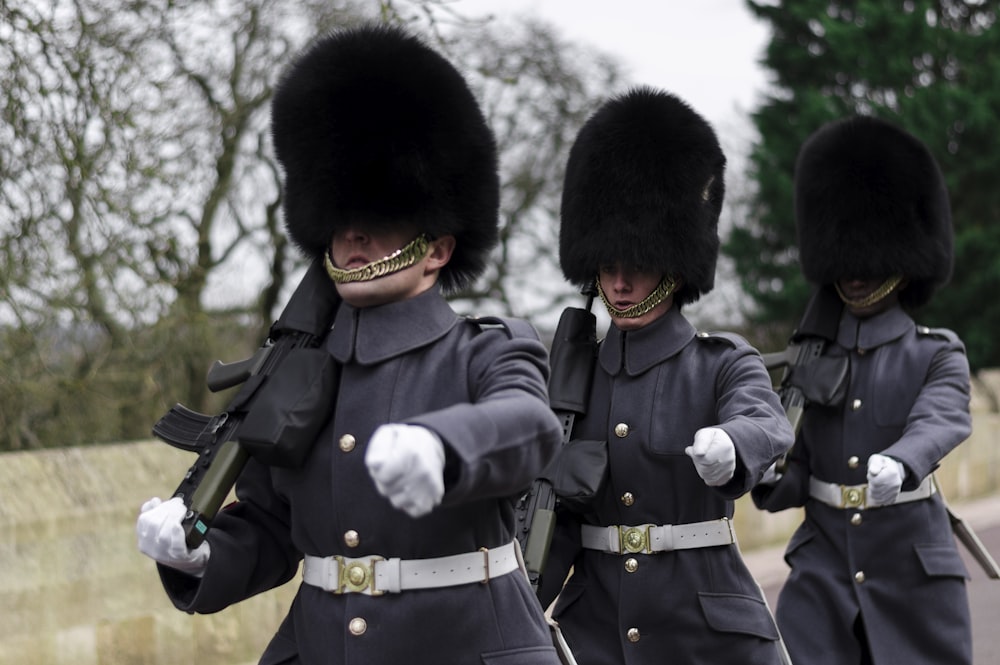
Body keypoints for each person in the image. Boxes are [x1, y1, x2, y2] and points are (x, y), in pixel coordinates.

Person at [135, 24, 567, 665]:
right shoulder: (300, 369)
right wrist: (198, 553)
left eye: (383, 218)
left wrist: (446, 448)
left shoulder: (488, 351)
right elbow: (272, 528)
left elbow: (530, 428)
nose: (355, 232)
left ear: (438, 249)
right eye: (342, 217)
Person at [536, 87, 795, 665]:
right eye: (608, 268)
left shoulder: (721, 361)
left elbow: (766, 420)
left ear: (674, 269)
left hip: (705, 629)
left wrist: (732, 443)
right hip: (597, 629)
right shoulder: (572, 383)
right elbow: (554, 521)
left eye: (637, 266)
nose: (620, 284)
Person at [752, 115, 973, 665]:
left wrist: (901, 462)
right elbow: (797, 471)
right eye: (843, 259)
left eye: (868, 259)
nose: (854, 273)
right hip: (823, 573)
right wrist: (762, 470)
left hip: (911, 572)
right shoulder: (812, 355)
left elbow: (942, 418)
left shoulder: (934, 352)